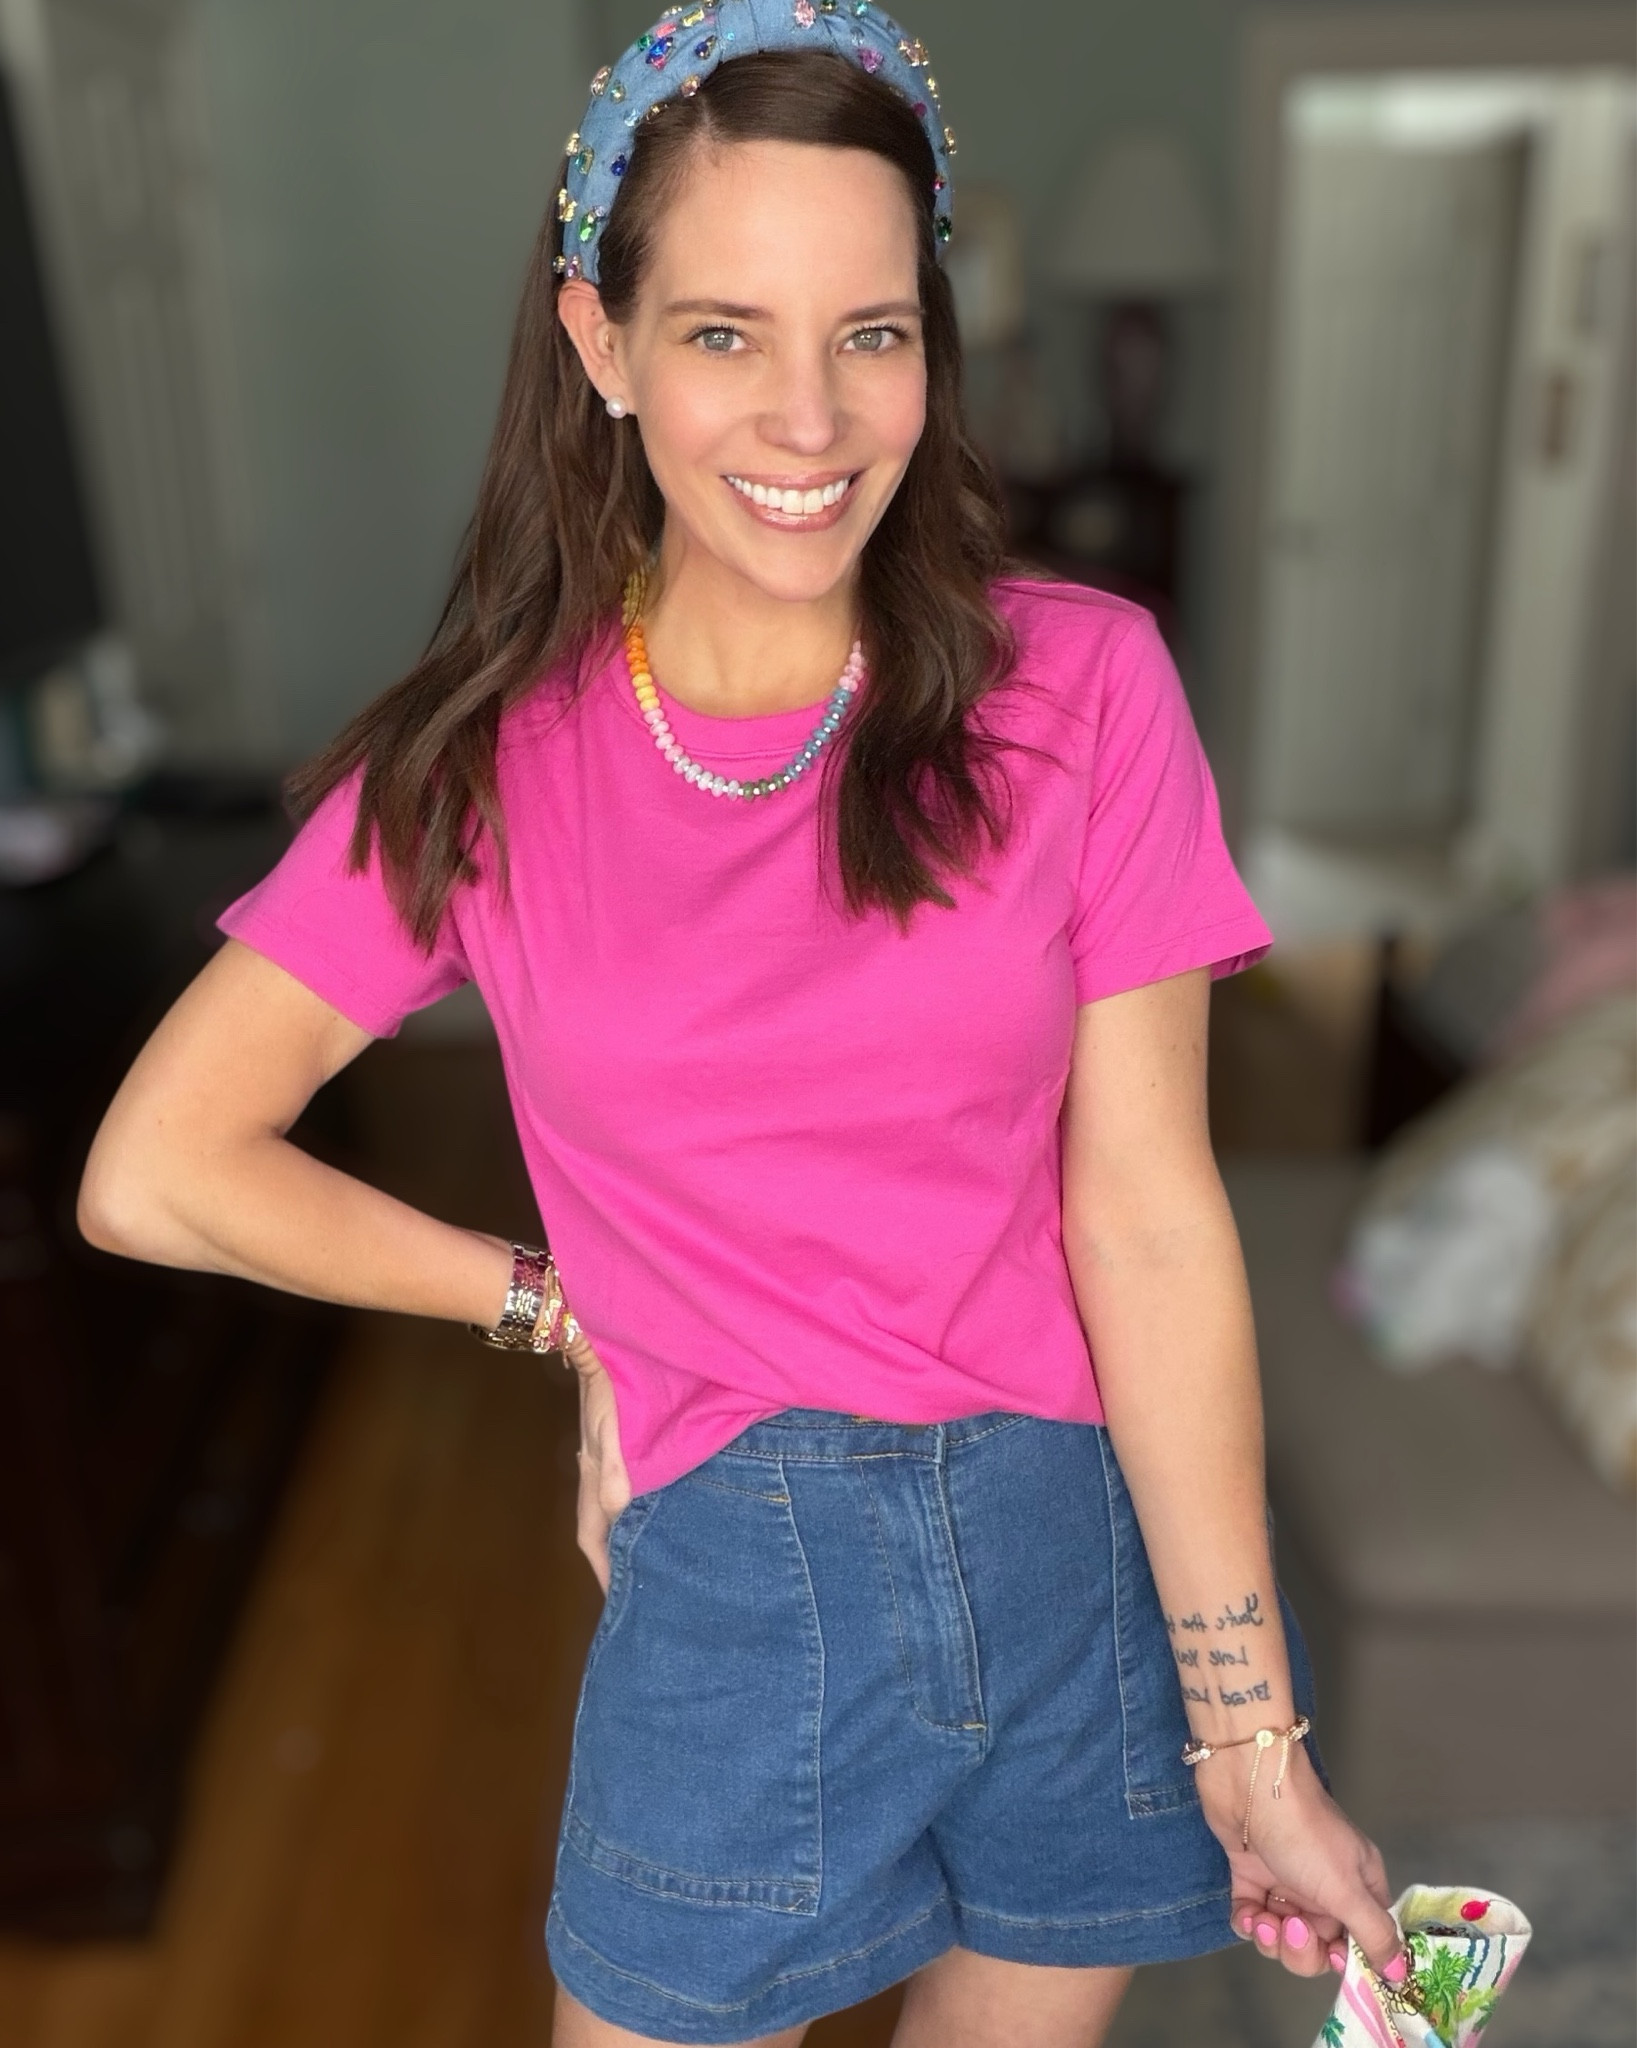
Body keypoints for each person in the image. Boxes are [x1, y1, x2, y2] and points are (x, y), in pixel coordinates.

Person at [79, 7, 1410, 2044]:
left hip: (1079, 1572)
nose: (810, 416)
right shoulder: (482, 769)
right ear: (600, 346)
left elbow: (1146, 1215)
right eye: (723, 333)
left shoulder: (1087, 687)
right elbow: (159, 1171)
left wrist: (1252, 1734)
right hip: (740, 1599)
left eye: (872, 332)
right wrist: (555, 1304)